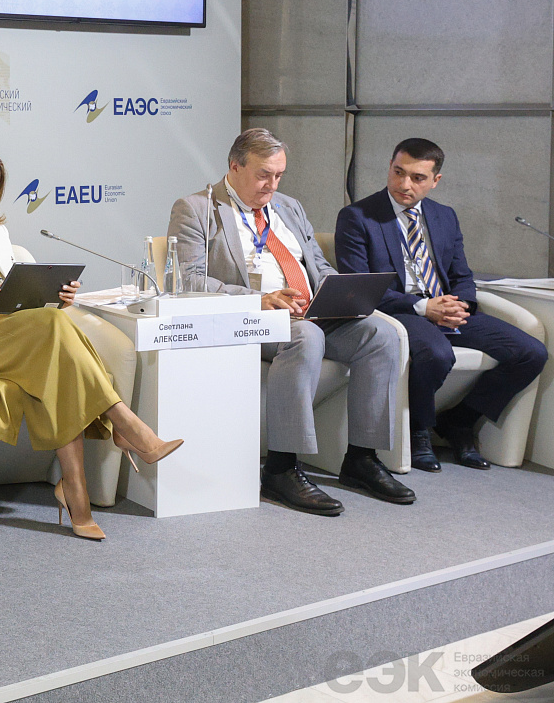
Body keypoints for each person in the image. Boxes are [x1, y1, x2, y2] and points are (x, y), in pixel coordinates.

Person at [0, 141, 182, 540]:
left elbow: (24, 295)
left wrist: (59, 297)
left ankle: (76, 490)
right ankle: (126, 426)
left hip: (21, 331)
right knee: (52, 332)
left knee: (58, 360)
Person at [168, 128, 413, 516]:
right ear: (235, 166)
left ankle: (362, 458)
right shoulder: (196, 208)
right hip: (252, 318)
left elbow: (317, 264)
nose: (272, 185)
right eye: (264, 175)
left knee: (381, 335)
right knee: (305, 336)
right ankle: (281, 469)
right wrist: (259, 300)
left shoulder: (289, 207)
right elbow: (189, 280)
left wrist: (340, 292)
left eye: (279, 175)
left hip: (311, 310)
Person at [334, 138, 547, 471]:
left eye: (417, 178)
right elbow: (359, 286)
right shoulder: (358, 217)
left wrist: (459, 305)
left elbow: (462, 274)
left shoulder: (444, 216)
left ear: (435, 180)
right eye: (398, 172)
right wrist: (424, 308)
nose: (405, 184)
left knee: (531, 353)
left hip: (446, 310)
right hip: (399, 311)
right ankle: (419, 429)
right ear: (389, 167)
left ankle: (459, 421)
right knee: (436, 353)